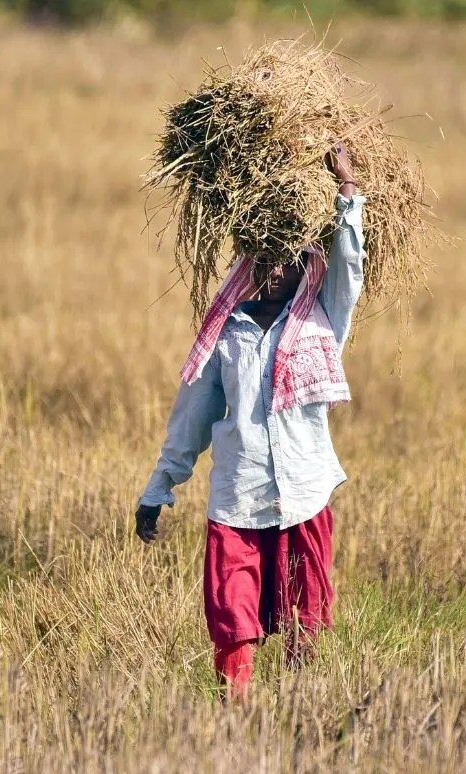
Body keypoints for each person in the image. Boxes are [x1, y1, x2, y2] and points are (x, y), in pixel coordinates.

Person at [135, 142, 366, 701]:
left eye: (287, 260)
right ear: (249, 263)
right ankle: (234, 714)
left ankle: (302, 707)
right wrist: (159, 488)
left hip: (303, 493)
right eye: (265, 260)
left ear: (303, 264)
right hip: (238, 497)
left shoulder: (322, 317)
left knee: (304, 614)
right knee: (232, 616)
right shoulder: (225, 333)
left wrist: (347, 189)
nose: (277, 271)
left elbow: (349, 270)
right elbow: (191, 418)